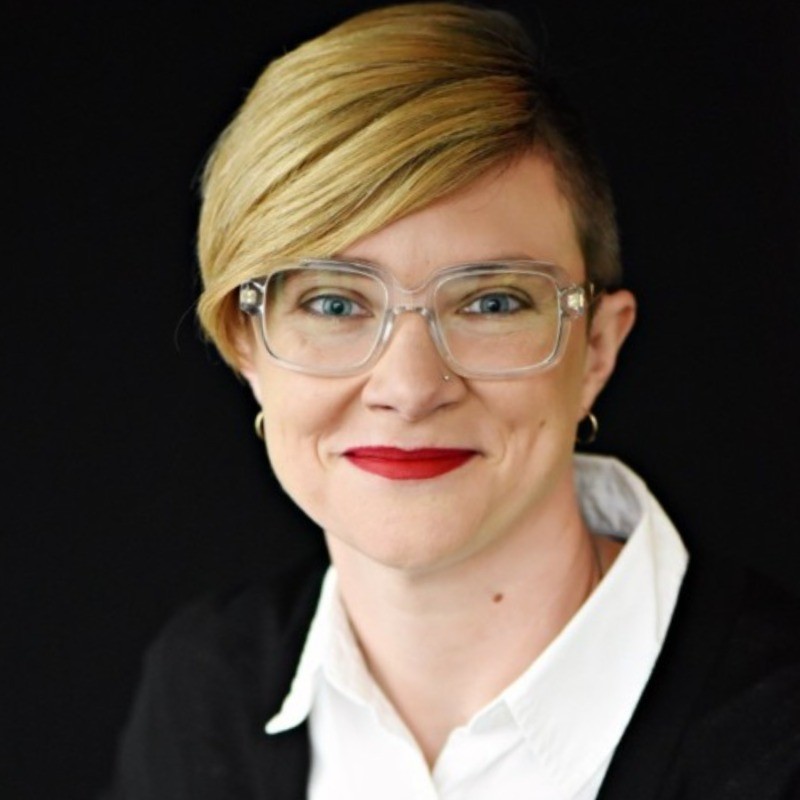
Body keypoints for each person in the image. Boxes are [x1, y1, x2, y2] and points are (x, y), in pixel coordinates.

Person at [104, 3, 800, 798]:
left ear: (597, 350)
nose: (408, 389)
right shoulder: (203, 692)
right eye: (333, 303)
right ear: (244, 346)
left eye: (492, 303)